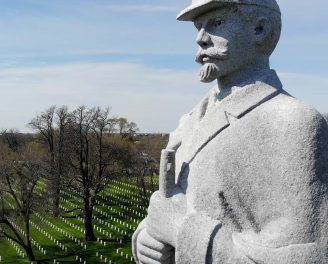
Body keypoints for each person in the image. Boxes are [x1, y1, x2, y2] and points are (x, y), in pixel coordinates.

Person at [132, 0, 328, 263]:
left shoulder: (293, 121)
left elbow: (307, 256)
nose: (200, 39)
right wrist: (145, 238)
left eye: (218, 23)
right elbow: (167, 210)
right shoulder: (188, 121)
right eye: (199, 27)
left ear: (260, 29)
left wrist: (181, 231)